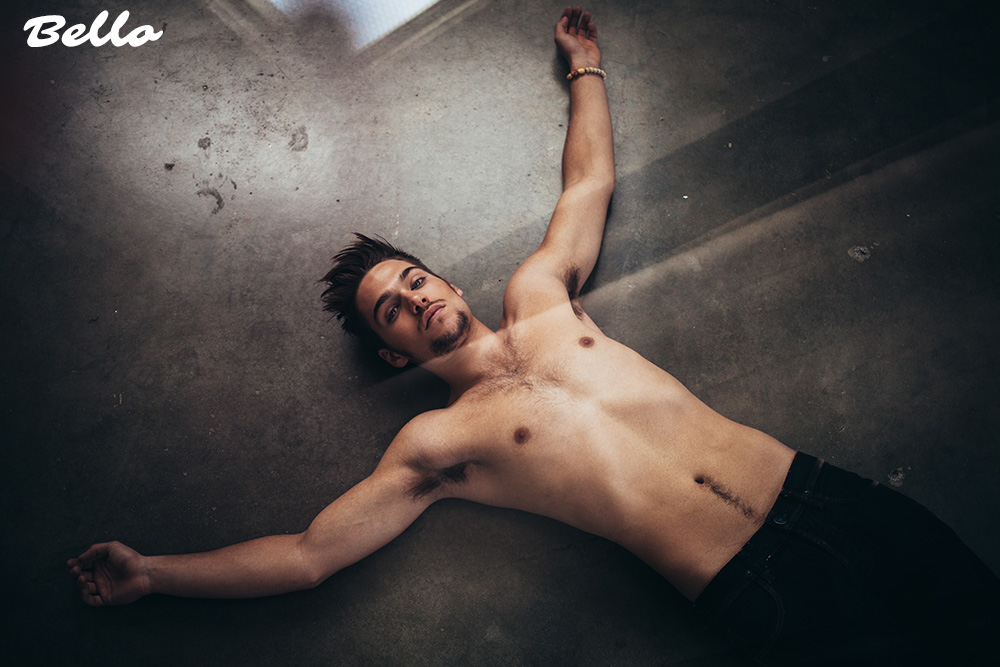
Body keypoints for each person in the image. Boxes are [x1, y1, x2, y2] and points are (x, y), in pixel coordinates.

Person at [68, 7, 997, 665]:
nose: (414, 299)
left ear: (447, 281)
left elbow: (587, 186)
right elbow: (310, 553)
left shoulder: (541, 295)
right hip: (749, 586)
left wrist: (586, 68)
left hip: (824, 493)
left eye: (414, 279)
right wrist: (155, 573)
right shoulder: (437, 443)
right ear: (393, 353)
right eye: (392, 310)